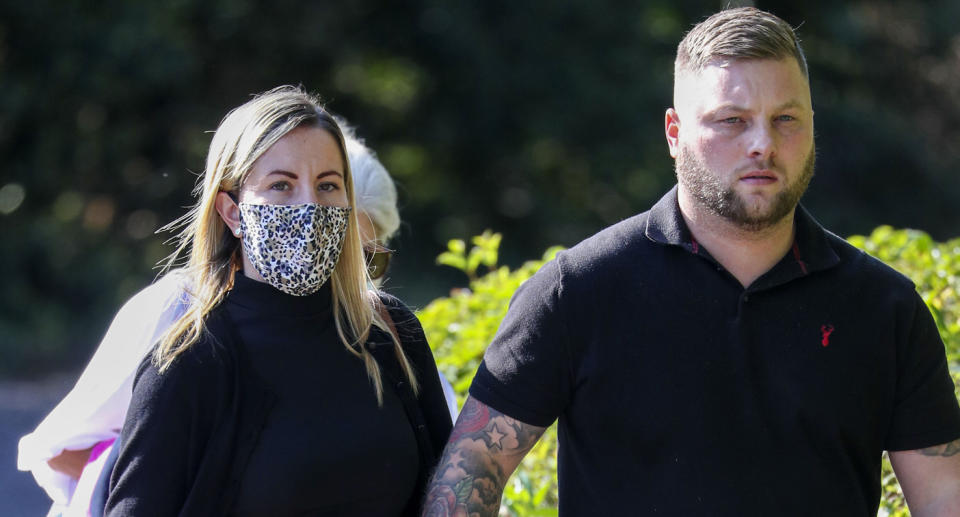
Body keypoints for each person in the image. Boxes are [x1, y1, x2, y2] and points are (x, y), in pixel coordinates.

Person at [423, 7, 960, 516]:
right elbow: (474, 466)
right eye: (731, 120)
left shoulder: (884, 308)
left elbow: (943, 496)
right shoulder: (579, 291)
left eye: (785, 119)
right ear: (674, 135)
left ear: (812, 126)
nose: (762, 144)